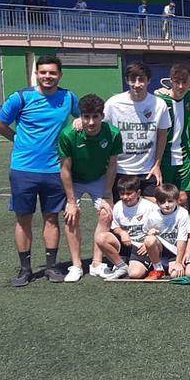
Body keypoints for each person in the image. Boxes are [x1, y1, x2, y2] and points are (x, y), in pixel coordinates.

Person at [0, 54, 80, 286]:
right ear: (37, 74)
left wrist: (78, 122)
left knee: (52, 218)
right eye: (43, 72)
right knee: (23, 219)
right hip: (23, 169)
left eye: (52, 72)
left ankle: (51, 268)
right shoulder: (21, 97)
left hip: (54, 170)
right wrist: (18, 141)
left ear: (60, 75)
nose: (47, 76)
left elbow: (84, 119)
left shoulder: (69, 98)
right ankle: (25, 269)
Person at [56, 93, 121, 283]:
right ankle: (76, 266)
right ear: (81, 116)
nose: (91, 122)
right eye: (86, 116)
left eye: (95, 116)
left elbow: (112, 166)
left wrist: (108, 194)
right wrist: (70, 201)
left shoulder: (113, 134)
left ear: (102, 116)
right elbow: (65, 169)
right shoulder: (68, 134)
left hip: (98, 178)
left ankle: (96, 263)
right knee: (71, 215)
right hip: (74, 179)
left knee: (106, 213)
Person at [103, 61, 170, 200]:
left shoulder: (159, 104)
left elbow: (162, 135)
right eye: (133, 79)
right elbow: (99, 125)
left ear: (149, 80)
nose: (137, 84)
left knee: (154, 212)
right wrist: (80, 121)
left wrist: (157, 165)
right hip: (120, 170)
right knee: (117, 214)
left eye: (141, 80)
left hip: (147, 171)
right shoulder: (113, 103)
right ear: (127, 80)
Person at [95, 174, 160, 280]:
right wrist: (121, 232)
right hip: (126, 244)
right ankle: (121, 266)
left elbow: (161, 228)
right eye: (122, 194)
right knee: (101, 237)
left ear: (138, 193)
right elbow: (115, 226)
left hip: (142, 247)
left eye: (129, 194)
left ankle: (146, 263)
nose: (125, 197)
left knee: (135, 274)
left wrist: (149, 244)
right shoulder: (118, 206)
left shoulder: (150, 207)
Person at [156, 63, 190, 206]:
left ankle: (183, 228)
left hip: (184, 156)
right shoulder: (160, 99)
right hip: (164, 157)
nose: (180, 86)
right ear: (171, 81)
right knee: (163, 198)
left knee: (183, 198)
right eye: (176, 82)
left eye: (184, 82)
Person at [133, 182, 188, 280]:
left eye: (170, 201)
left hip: (175, 251)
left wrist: (178, 262)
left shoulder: (182, 214)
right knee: (150, 239)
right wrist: (149, 234)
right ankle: (158, 269)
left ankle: (167, 265)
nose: (166, 205)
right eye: (162, 202)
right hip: (160, 249)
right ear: (157, 202)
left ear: (176, 200)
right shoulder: (153, 216)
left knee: (175, 274)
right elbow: (145, 232)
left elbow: (182, 239)